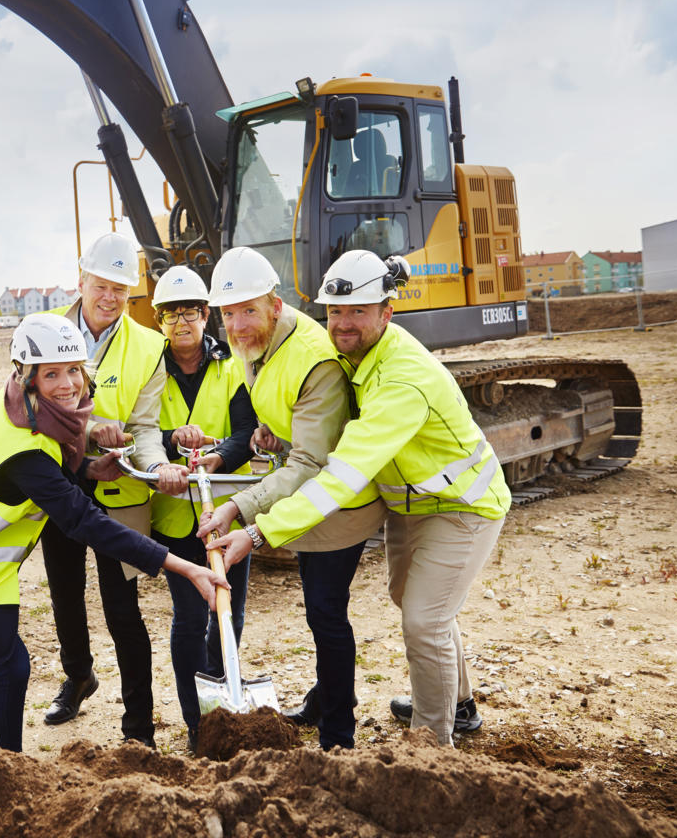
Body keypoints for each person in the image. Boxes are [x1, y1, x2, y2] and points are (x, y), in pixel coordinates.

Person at [209, 249, 511, 746]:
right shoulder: (356, 354)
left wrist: (259, 532)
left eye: (358, 312)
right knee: (411, 602)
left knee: (423, 618)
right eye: (335, 312)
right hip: (410, 503)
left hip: (463, 506)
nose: (343, 324)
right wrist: (282, 439)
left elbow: (338, 476)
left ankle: (432, 746)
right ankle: (459, 703)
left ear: (386, 314)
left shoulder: (401, 381)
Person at [0, 315, 226, 751]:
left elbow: (42, 473)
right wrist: (183, 566)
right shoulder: (25, 448)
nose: (68, 384)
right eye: (51, 373)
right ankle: (11, 771)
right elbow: (85, 521)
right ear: (26, 375)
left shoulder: (17, 403)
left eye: (74, 369)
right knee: (12, 664)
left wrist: (87, 468)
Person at [197, 246, 387, 751]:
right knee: (317, 606)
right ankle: (325, 698)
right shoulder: (251, 342)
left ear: (275, 306)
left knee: (326, 611)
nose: (236, 326)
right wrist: (274, 435)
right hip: (305, 493)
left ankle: (337, 736)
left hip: (339, 501)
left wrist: (239, 507)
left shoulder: (314, 360)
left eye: (248, 311)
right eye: (228, 313)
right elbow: (297, 434)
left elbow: (313, 465)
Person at [41, 233, 189, 748]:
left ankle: (138, 727)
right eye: (101, 285)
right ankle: (78, 677)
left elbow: (145, 425)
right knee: (65, 593)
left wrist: (156, 465)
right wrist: (91, 428)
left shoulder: (150, 346)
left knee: (122, 609)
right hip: (61, 485)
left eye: (121, 290)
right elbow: (32, 411)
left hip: (120, 493)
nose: (109, 298)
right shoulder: (44, 333)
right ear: (81, 281)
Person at [147, 265, 257, 751]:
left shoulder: (232, 364)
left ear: (206, 314)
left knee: (229, 610)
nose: (181, 323)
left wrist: (218, 455)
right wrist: (174, 442)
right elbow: (142, 430)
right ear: (159, 322)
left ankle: (222, 691)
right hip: (175, 517)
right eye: (171, 315)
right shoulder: (150, 370)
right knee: (189, 616)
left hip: (228, 511)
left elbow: (244, 431)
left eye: (190, 311)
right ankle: (197, 721)